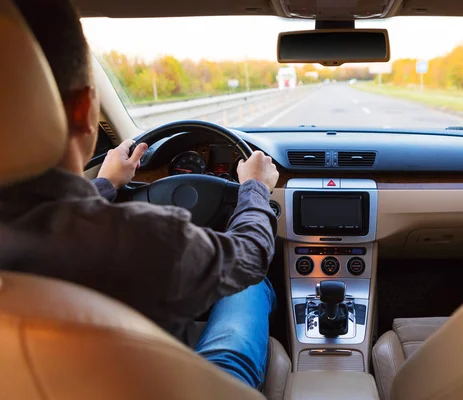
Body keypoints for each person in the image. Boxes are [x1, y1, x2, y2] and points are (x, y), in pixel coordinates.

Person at [0, 0, 279, 390]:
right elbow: (249, 257)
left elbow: (52, 220)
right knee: (252, 286)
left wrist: (106, 184)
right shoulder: (144, 238)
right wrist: (255, 188)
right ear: (84, 110)